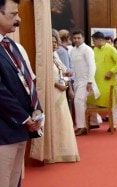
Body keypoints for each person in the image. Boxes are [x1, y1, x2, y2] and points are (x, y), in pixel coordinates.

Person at [0, 0, 43, 187]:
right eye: (13, 14)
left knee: (11, 186)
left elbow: (28, 82)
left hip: (20, 129)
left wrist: (37, 111)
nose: (18, 19)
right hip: (4, 129)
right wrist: (25, 117)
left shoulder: (13, 46)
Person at [30, 29, 80, 163]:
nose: (54, 44)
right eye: (51, 42)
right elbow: (42, 76)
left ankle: (64, 151)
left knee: (63, 120)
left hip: (61, 92)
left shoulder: (56, 56)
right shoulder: (43, 58)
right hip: (51, 93)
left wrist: (67, 75)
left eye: (55, 41)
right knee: (55, 120)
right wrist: (56, 84)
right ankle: (53, 152)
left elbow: (63, 72)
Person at [88, 31, 117, 132]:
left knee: (111, 104)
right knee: (91, 100)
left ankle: (114, 125)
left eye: (94, 41)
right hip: (96, 81)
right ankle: (93, 123)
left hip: (108, 82)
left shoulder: (111, 48)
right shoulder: (94, 49)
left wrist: (111, 72)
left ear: (100, 40)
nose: (93, 43)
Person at [70, 29, 99, 136]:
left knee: (78, 101)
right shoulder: (72, 50)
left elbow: (92, 66)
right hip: (77, 81)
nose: (76, 40)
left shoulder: (87, 50)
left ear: (83, 38)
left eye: (78, 38)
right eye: (74, 38)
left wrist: (90, 81)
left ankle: (82, 127)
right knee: (79, 103)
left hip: (86, 81)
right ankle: (86, 124)